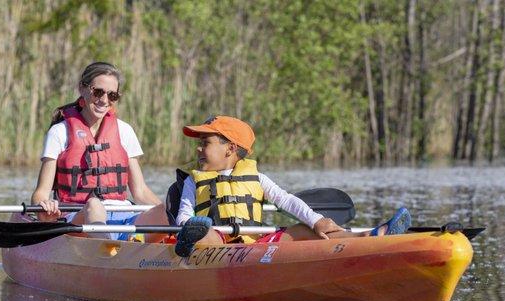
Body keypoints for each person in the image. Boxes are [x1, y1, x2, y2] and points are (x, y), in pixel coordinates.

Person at [174, 115, 411, 257]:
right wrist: (187, 226)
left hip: (253, 247)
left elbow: (286, 201)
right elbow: (183, 214)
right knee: (202, 230)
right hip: (217, 245)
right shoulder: (192, 181)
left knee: (309, 230)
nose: (199, 149)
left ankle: (370, 236)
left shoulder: (257, 178)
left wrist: (316, 220)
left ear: (230, 148)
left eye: (205, 143)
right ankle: (190, 239)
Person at [31, 62, 167, 241]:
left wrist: (169, 213)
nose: (104, 100)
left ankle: (136, 242)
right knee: (94, 204)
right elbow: (41, 192)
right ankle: (109, 245)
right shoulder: (59, 132)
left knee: (169, 207)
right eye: (98, 92)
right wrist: (44, 206)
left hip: (123, 217)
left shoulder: (124, 130)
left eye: (112, 95)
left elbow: (140, 191)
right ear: (82, 88)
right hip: (78, 217)